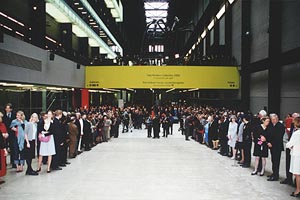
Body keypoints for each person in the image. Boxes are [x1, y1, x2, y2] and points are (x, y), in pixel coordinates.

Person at [281, 112, 300, 185]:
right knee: (288, 163)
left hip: (296, 150)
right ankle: (289, 178)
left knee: (297, 168)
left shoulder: (297, 131)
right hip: (291, 148)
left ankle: (296, 182)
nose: (292, 119)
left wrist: (290, 144)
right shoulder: (292, 126)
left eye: (295, 118)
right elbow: (288, 135)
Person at [267, 113, 285, 181]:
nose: (273, 121)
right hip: (271, 146)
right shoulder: (271, 125)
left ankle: (276, 175)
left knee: (276, 161)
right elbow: (269, 134)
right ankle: (274, 173)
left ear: (277, 119)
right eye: (272, 119)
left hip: (277, 146)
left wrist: (272, 143)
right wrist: (268, 142)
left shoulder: (280, 126)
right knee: (273, 160)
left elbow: (278, 137)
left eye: (274, 119)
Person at [286, 116, 300, 197]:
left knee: (297, 174)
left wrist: (289, 145)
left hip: (297, 156)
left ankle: (298, 190)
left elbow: (289, 144)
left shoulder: (296, 133)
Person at [2, 103, 16, 168]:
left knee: (12, 148)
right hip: (5, 134)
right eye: (6, 108)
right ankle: (4, 163)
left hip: (12, 134)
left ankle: (13, 162)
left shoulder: (14, 115)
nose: (7, 109)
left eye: (8, 108)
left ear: (11, 109)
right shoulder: (3, 116)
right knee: (5, 148)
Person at [0, 112, 9, 185]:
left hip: (3, 144)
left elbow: (6, 132)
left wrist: (5, 135)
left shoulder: (3, 124)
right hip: (1, 146)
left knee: (2, 162)